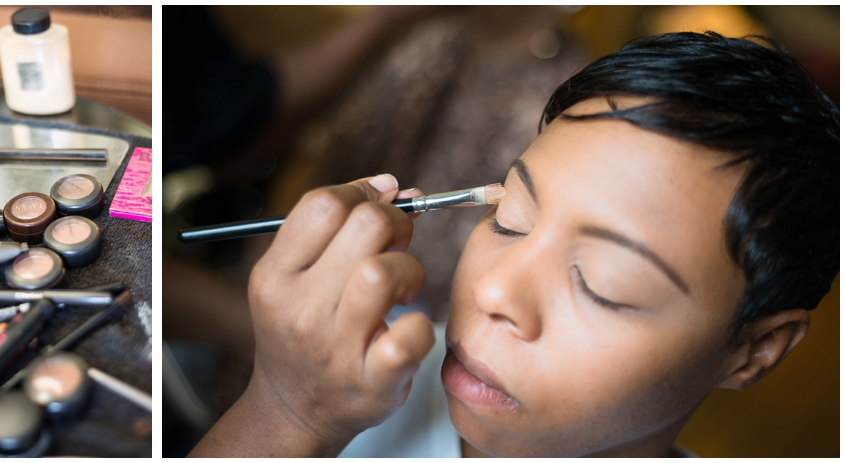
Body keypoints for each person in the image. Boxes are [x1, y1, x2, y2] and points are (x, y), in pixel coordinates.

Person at [187, 31, 839, 457]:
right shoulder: (366, 378)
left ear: (754, 350)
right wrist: (285, 411)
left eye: (600, 282)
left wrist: (288, 416)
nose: (493, 288)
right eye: (511, 219)